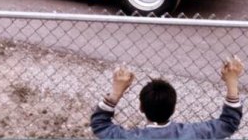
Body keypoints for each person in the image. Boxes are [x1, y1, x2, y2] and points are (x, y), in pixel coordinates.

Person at [91, 55, 244, 139]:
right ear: (174, 107)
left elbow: (100, 124)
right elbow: (228, 124)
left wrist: (116, 92)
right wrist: (232, 82)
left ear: (141, 108)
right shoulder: (194, 134)